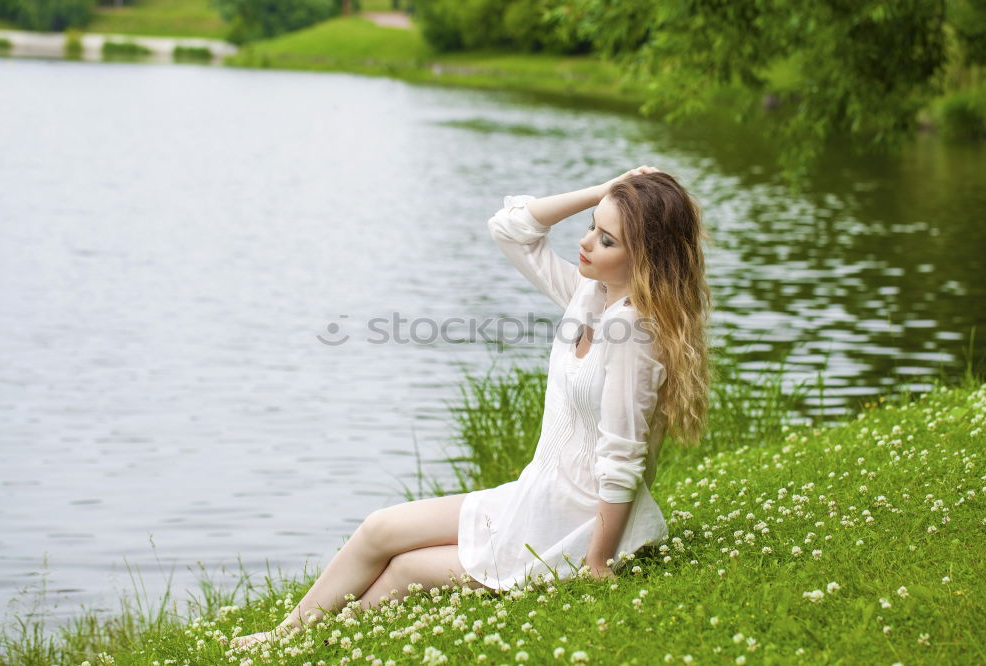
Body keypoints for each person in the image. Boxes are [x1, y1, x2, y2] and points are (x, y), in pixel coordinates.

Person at [231, 165, 712, 651]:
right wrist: (608, 189)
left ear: (646, 259)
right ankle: (285, 637)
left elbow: (622, 461)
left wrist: (596, 562)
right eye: (591, 225)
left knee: (404, 570)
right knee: (379, 529)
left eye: (607, 240)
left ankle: (300, 647)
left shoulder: (632, 335)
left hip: (573, 524)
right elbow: (511, 228)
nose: (586, 243)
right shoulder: (591, 296)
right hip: (538, 496)